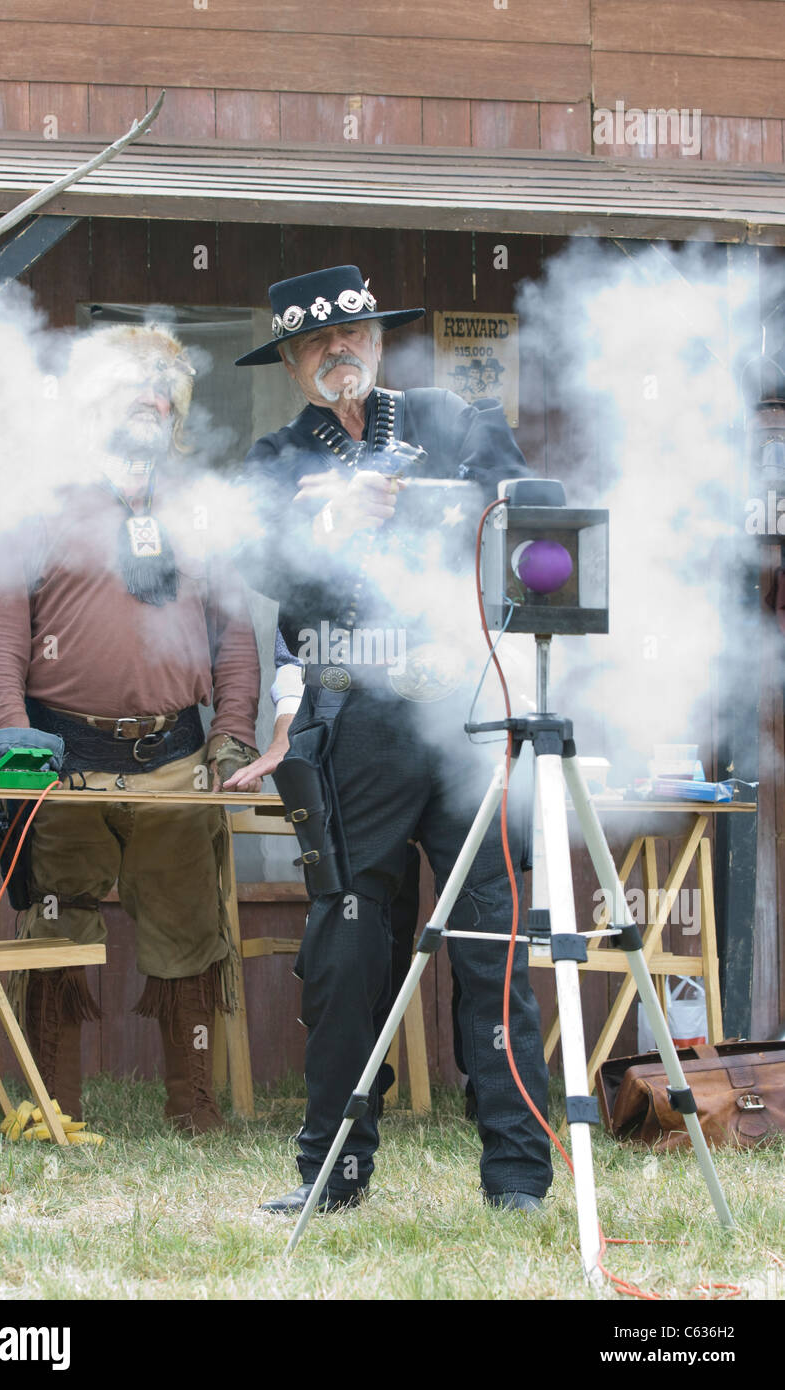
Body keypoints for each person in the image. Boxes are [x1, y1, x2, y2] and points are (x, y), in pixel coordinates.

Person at [234, 265, 553, 1212]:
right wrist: (325, 516)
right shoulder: (278, 458)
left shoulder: (456, 421)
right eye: (318, 345)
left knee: (492, 947)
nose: (342, 354)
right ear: (293, 363)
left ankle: (518, 1177)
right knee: (345, 946)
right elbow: (252, 558)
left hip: (462, 713)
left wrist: (458, 515)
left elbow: (534, 520)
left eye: (355, 336)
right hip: (351, 717)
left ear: (376, 339)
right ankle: (334, 1172)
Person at [0, 324, 262, 1133]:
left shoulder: (206, 507)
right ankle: (55, 1109)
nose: (150, 396)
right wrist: (10, 742)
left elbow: (234, 637)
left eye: (164, 386)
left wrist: (229, 736)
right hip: (66, 763)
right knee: (57, 932)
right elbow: (1, 640)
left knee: (188, 936)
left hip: (177, 761)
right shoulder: (34, 501)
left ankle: (194, 1110)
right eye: (129, 382)